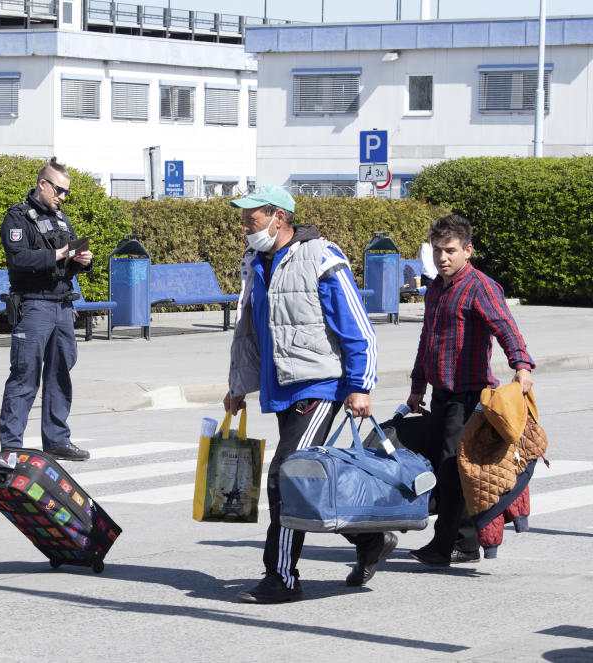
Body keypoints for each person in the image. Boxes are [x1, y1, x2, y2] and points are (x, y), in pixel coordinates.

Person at [225, 185, 393, 604]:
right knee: (306, 481)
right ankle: (369, 536)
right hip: (281, 386)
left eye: (253, 217)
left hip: (320, 385)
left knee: (286, 474)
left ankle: (281, 578)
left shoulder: (321, 256)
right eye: (244, 218)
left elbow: (357, 327)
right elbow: (251, 331)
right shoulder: (256, 261)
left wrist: (359, 385)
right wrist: (236, 387)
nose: (246, 225)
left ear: (279, 217)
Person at [407, 214, 534, 567]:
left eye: (450, 250)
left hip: (470, 395)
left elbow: (506, 328)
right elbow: (427, 341)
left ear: (468, 250)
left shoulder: (481, 286)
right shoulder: (435, 288)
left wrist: (521, 366)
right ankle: (464, 542)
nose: (442, 258)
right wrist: (418, 386)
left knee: (451, 469)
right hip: (441, 393)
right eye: (437, 251)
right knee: (448, 468)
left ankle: (445, 545)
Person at [0, 157, 93, 462]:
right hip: (34, 305)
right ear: (43, 184)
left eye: (66, 193)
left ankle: (56, 440)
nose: (62, 197)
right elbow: (19, 260)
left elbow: (66, 261)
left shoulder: (62, 219)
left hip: (62, 304)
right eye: (59, 191)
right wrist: (58, 254)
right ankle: (11, 446)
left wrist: (81, 262)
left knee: (60, 373)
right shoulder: (17, 218)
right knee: (25, 375)